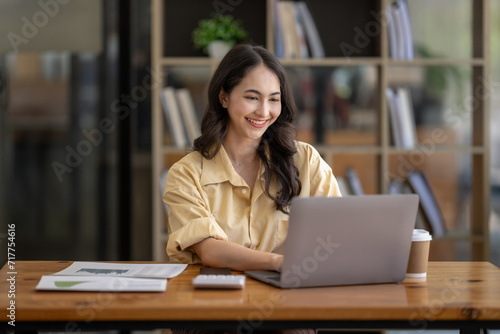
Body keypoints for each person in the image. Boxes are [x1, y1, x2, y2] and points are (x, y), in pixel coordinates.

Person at [163, 44, 341, 273]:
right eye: (252, 97)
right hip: (216, 299)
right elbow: (210, 250)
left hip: (291, 296)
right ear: (224, 98)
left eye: (274, 99)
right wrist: (279, 263)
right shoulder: (186, 174)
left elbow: (338, 232)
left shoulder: (306, 161)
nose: (264, 111)